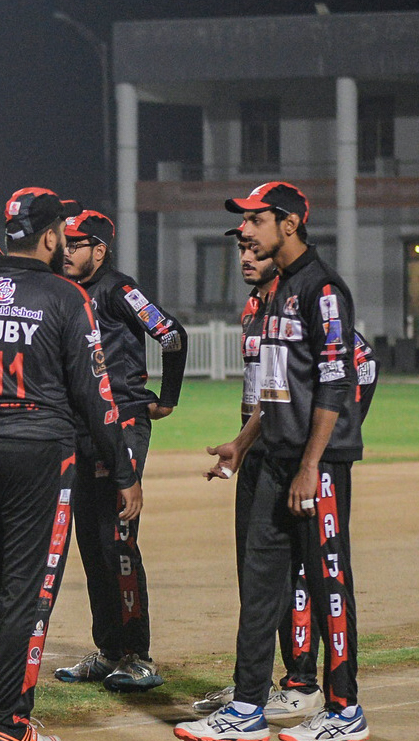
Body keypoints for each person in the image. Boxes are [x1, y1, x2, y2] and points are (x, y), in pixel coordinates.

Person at [0, 188, 141, 741]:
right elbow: (96, 393)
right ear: (50, 237)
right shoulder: (67, 297)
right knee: (25, 592)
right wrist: (123, 471)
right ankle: (10, 724)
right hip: (39, 454)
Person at [178, 182, 370, 741]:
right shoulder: (277, 290)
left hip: (317, 466)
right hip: (275, 459)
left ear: (289, 224)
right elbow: (276, 385)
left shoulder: (322, 288)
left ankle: (345, 711)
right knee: (261, 586)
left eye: (255, 220)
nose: (245, 230)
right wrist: (243, 442)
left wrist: (311, 465)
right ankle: (246, 708)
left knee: (329, 582)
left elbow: (335, 381)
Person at [53, 209, 187, 692]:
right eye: (64, 242)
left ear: (99, 249)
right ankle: (109, 650)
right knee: (91, 542)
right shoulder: (65, 290)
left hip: (123, 422)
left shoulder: (117, 288)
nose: (66, 250)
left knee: (117, 540)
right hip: (81, 425)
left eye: (76, 243)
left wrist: (166, 399)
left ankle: (137, 655)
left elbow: (171, 333)